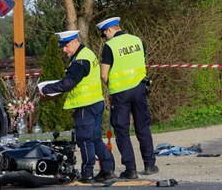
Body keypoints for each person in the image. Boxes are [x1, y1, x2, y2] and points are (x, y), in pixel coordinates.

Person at [39, 30, 115, 183]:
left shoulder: (80, 61)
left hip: (85, 106)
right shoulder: (87, 53)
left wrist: (45, 89)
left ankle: (87, 173)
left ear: (75, 41)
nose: (64, 49)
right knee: (95, 139)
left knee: (85, 140)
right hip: (96, 102)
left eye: (66, 46)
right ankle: (108, 169)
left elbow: (68, 83)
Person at [96, 17, 158, 179]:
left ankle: (130, 169)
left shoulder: (109, 46)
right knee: (143, 127)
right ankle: (150, 164)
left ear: (109, 31)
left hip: (120, 93)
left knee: (122, 130)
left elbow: (103, 74)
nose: (105, 38)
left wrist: (112, 85)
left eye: (105, 34)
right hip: (140, 88)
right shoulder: (138, 40)